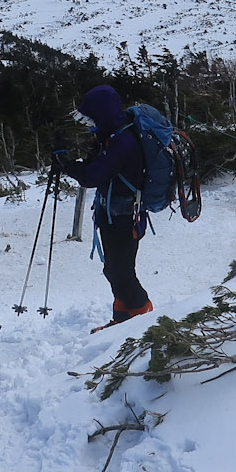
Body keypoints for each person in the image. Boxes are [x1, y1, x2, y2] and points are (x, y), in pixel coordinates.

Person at [55, 83, 153, 327]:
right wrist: (67, 158)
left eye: (90, 118)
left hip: (125, 216)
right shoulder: (110, 135)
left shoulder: (123, 142)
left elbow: (91, 177)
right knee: (114, 270)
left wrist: (64, 161)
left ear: (102, 114)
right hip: (112, 214)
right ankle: (122, 322)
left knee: (121, 273)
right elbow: (92, 166)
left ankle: (144, 324)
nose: (88, 124)